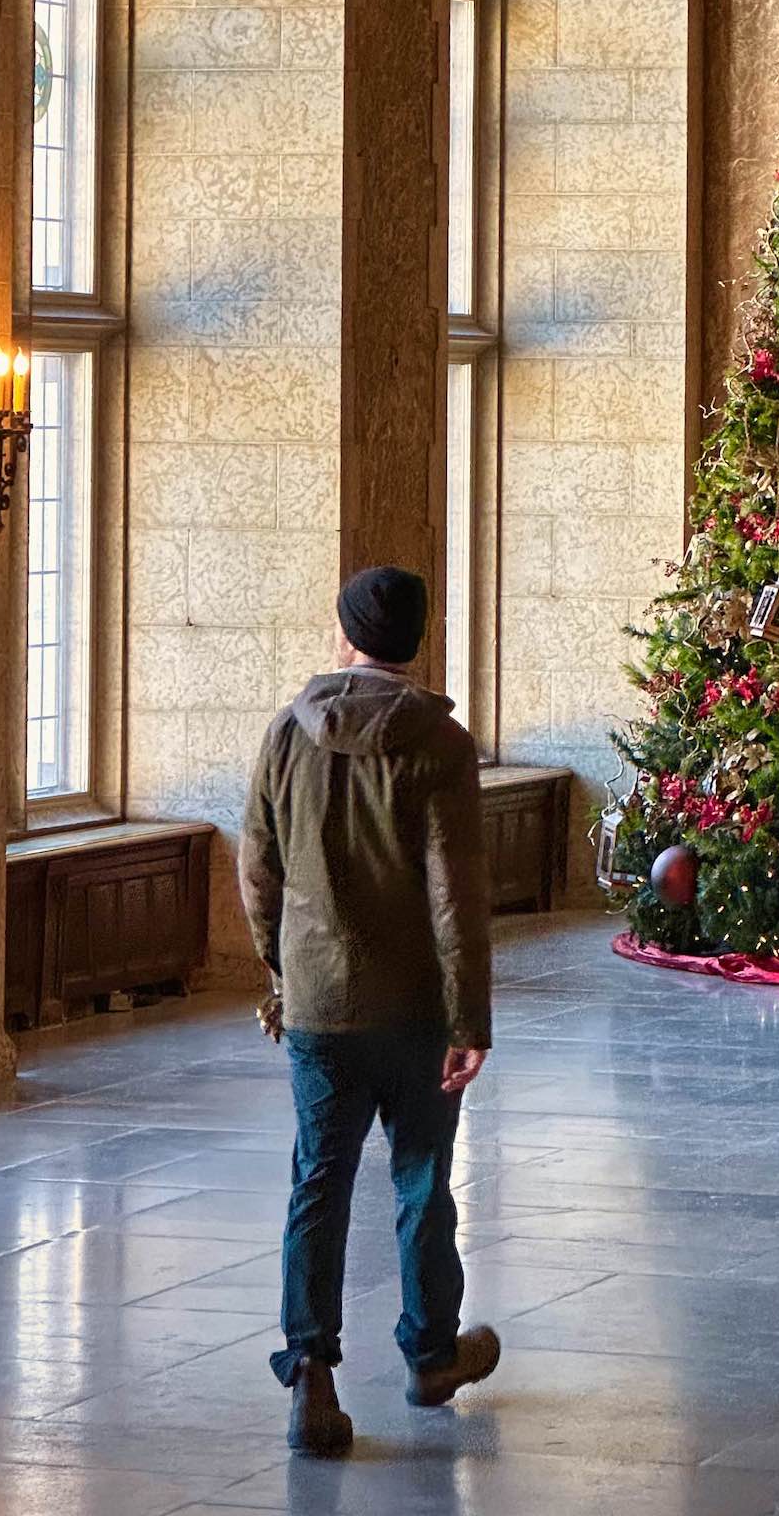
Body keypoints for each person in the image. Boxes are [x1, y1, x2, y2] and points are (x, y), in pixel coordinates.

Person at [239, 563, 499, 1458]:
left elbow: (258, 871)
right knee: (422, 1180)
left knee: (319, 1181)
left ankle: (311, 1372)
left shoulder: (286, 734)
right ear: (416, 639)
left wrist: (284, 973)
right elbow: (455, 897)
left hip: (319, 1007)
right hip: (419, 1006)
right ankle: (430, 1353)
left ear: (345, 634)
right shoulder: (440, 743)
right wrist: (470, 1020)